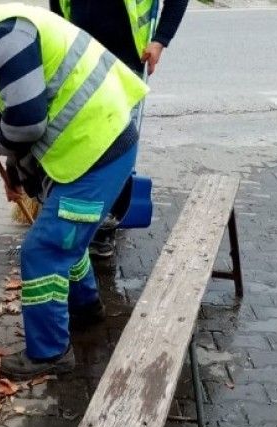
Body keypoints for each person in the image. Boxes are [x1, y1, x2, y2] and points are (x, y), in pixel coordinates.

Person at [0, 0, 149, 379]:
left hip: (97, 151)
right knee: (65, 239)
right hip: (99, 141)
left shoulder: (3, 39)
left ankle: (50, 353)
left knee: (42, 251)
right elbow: (24, 117)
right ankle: (86, 309)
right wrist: (18, 173)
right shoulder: (3, 24)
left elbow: (26, 124)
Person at [50, 0, 189, 258]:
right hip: (79, 55)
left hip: (125, 60)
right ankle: (76, 217)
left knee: (115, 144)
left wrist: (160, 40)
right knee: (79, 139)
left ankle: (105, 226)